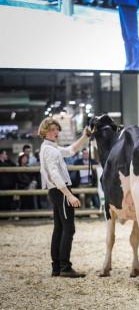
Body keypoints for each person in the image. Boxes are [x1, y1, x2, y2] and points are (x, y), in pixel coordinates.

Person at [38, 117, 91, 278]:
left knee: (59, 228)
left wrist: (85, 136)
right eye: (52, 130)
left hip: (57, 191)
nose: (56, 132)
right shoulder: (49, 150)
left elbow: (70, 151)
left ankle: (57, 267)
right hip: (60, 191)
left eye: (57, 129)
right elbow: (54, 175)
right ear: (45, 131)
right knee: (68, 228)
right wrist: (69, 195)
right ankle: (65, 266)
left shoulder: (50, 148)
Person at [115, 0, 139, 70]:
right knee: (126, 37)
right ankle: (129, 64)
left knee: (132, 37)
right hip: (122, 1)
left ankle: (136, 67)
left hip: (129, 1)